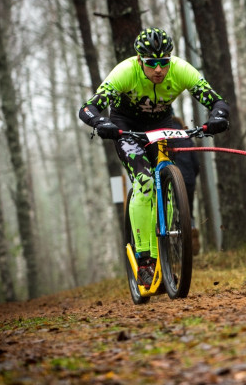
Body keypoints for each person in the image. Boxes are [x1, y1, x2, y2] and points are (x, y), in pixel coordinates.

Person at [78, 27, 229, 286]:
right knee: (145, 181)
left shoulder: (181, 69)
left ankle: (165, 254)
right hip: (126, 126)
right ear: (139, 61)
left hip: (161, 125)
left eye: (164, 63)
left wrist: (217, 117)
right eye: (152, 64)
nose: (159, 69)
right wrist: (101, 123)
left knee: (168, 180)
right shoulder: (125, 72)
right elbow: (88, 108)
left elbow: (217, 101)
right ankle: (145, 258)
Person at [169, 116, 201, 255]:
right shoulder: (187, 140)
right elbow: (196, 164)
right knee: (188, 210)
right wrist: (192, 177)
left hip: (171, 179)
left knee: (172, 209)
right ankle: (191, 228)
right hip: (188, 181)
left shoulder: (167, 140)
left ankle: (173, 242)